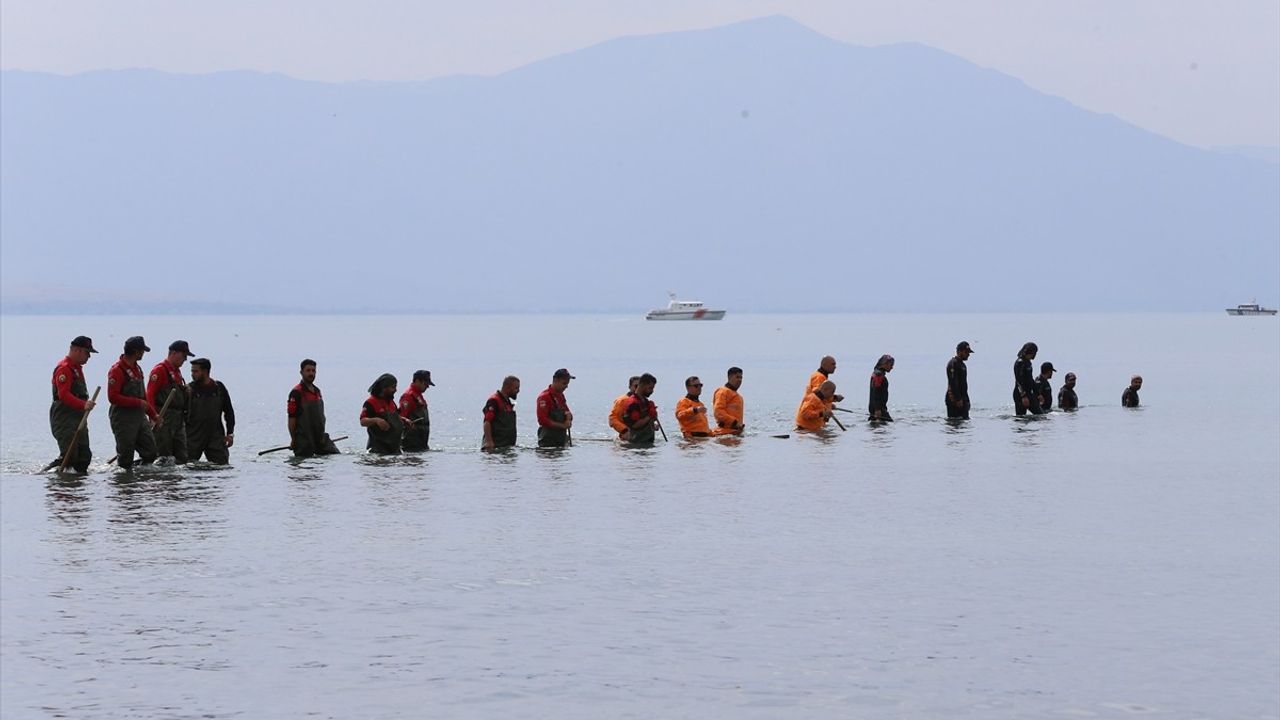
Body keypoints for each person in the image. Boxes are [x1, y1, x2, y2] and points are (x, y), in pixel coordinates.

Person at [108, 336, 161, 469]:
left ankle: (138, 474)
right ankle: (125, 481)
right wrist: (136, 402)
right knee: (126, 456)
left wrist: (154, 415)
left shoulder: (138, 369)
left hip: (139, 418)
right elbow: (112, 397)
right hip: (122, 418)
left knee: (151, 452)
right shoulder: (117, 370)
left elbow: (144, 397)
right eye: (142, 351)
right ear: (136, 352)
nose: (143, 354)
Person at [49, 335, 99, 473]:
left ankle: (78, 487)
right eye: (87, 352)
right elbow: (63, 395)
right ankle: (50, 474)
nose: (89, 356)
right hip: (64, 417)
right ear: (77, 350)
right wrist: (83, 405)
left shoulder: (77, 368)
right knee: (70, 455)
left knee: (84, 457)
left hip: (78, 416)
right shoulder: (64, 368)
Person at [147, 340, 194, 463]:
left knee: (182, 455)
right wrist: (153, 417)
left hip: (178, 419)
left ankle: (176, 481)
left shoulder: (177, 372)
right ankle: (162, 481)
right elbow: (150, 395)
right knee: (163, 455)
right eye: (184, 356)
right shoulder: (160, 370)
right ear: (174, 353)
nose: (185, 360)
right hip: (163, 418)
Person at [186, 357, 235, 464]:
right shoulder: (188, 390)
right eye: (192, 371)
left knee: (222, 467)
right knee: (187, 466)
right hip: (193, 436)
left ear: (205, 371)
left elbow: (229, 412)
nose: (192, 374)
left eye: (196, 371)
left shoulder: (219, 388)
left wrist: (230, 433)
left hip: (215, 436)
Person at [288, 358, 339, 457]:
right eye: (308, 370)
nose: (311, 373)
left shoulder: (317, 391)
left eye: (313, 370)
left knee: (335, 456)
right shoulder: (296, 393)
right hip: (304, 440)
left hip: (320, 438)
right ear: (301, 372)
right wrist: (293, 440)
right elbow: (291, 418)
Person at [360, 373, 405, 455]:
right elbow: (362, 421)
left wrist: (404, 420)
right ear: (384, 388)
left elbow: (394, 417)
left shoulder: (391, 402)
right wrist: (376, 420)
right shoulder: (371, 402)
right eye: (393, 387)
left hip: (395, 449)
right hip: (378, 450)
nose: (396, 390)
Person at [536, 369, 575, 448]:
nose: (566, 386)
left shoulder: (560, 396)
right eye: (564, 383)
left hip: (560, 440)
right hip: (547, 442)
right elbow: (542, 420)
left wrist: (569, 417)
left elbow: (568, 412)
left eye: (567, 384)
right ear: (555, 380)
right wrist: (562, 425)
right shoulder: (544, 397)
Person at [482, 375, 520, 451]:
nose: (518, 391)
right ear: (508, 387)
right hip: (495, 446)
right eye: (516, 388)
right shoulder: (494, 401)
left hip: (507, 446)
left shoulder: (507, 402)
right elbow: (487, 421)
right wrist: (489, 442)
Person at [399, 370, 434, 452]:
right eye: (425, 384)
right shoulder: (408, 396)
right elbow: (401, 417)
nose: (427, 387)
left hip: (421, 440)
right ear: (417, 381)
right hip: (411, 442)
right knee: (413, 462)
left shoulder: (419, 396)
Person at [623, 373, 659, 445]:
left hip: (648, 442)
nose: (652, 391)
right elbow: (634, 425)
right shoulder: (632, 403)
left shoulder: (646, 402)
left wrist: (654, 416)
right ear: (642, 386)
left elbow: (652, 419)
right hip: (636, 444)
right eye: (650, 388)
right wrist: (649, 415)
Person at [1012, 342, 1043, 416]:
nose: (1035, 355)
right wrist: (1023, 396)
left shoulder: (1028, 362)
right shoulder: (1020, 363)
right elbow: (1019, 380)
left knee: (1041, 416)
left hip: (1029, 393)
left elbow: (1030, 379)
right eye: (1034, 353)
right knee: (1021, 418)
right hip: (1021, 394)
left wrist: (1038, 394)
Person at [712, 366, 745, 435]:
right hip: (724, 433)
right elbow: (718, 412)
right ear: (729, 377)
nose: (739, 380)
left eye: (741, 377)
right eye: (737, 377)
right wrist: (734, 422)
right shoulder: (723, 392)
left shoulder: (739, 396)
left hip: (735, 433)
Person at [945, 341, 974, 419]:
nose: (968, 355)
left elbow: (964, 385)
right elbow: (953, 382)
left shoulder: (962, 365)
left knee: (964, 424)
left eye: (969, 353)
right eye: (966, 352)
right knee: (954, 423)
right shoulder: (953, 364)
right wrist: (958, 399)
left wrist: (967, 400)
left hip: (963, 399)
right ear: (959, 351)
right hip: (954, 400)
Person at [609, 376, 639, 440]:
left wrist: (653, 425)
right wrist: (624, 430)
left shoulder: (644, 401)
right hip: (626, 438)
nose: (638, 388)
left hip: (641, 436)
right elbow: (612, 419)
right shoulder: (622, 401)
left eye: (641, 386)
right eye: (636, 386)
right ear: (630, 387)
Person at [869, 355, 894, 422]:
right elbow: (875, 391)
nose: (892, 367)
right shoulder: (879, 375)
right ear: (884, 364)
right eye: (891, 365)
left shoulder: (876, 373)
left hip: (875, 408)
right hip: (879, 409)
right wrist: (877, 409)